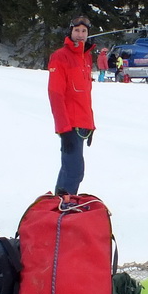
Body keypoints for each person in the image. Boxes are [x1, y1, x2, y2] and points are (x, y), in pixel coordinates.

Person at [48, 15, 96, 196]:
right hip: (70, 125)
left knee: (74, 170)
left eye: (84, 31)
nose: (80, 34)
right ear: (71, 31)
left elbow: (85, 95)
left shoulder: (86, 57)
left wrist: (90, 125)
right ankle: (62, 205)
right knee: (73, 171)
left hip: (82, 124)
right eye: (77, 30)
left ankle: (62, 203)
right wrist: (64, 129)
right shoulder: (60, 57)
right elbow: (55, 94)